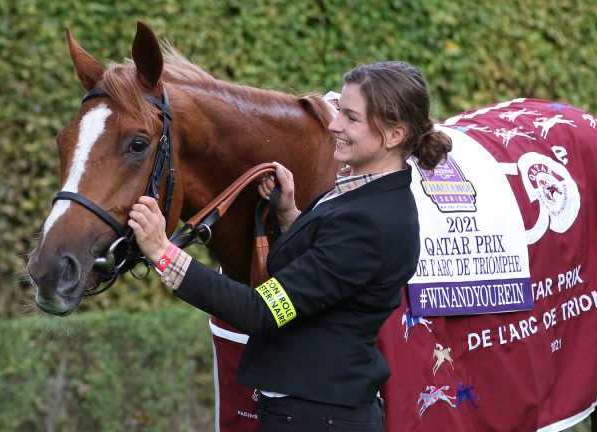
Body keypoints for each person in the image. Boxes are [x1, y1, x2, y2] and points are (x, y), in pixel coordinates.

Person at [128, 61, 452, 431]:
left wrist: (163, 253)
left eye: (351, 118)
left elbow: (262, 312)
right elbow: (329, 271)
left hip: (319, 418)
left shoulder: (371, 222)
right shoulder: (359, 197)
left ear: (394, 135)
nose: (333, 126)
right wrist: (290, 215)